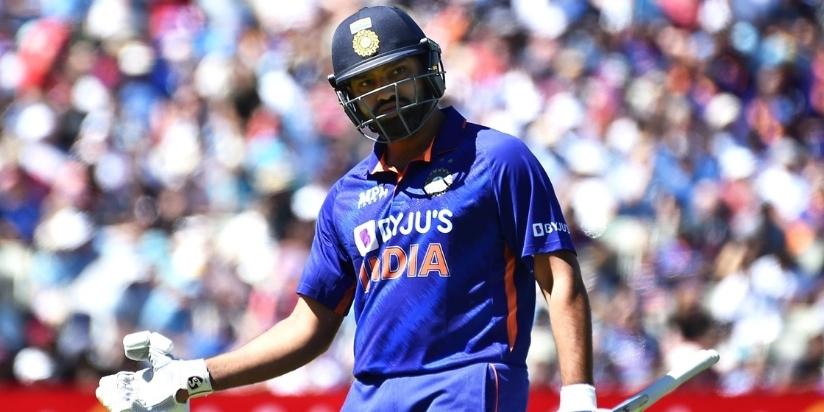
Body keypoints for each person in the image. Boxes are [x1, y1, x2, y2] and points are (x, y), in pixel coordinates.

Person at [95, 5, 597, 412]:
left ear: (428, 68)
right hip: (371, 395)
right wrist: (198, 376)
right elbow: (308, 328)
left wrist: (579, 395)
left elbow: (560, 279)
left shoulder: (498, 159)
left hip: (467, 384)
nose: (386, 95)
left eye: (397, 73)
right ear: (347, 98)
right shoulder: (346, 197)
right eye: (366, 85)